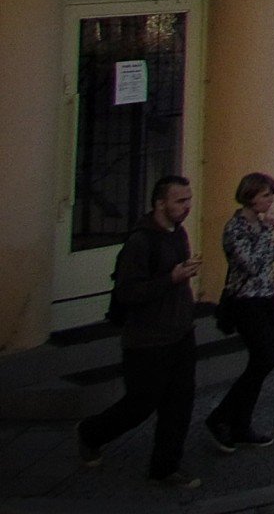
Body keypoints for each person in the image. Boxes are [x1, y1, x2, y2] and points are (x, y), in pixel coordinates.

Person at [77, 175, 203, 489]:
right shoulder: (140, 242)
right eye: (180, 201)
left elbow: (176, 283)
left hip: (180, 334)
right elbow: (128, 293)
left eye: (188, 200)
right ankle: (92, 433)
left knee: (179, 405)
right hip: (147, 341)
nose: (187, 207)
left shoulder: (179, 233)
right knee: (140, 404)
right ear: (160, 203)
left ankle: (165, 468)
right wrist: (171, 279)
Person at [203, 173, 274, 454]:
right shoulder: (235, 228)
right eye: (266, 196)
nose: (271, 201)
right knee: (262, 361)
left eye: (271, 195)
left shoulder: (257, 225)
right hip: (245, 302)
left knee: (263, 363)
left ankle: (241, 424)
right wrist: (267, 234)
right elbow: (250, 265)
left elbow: (267, 259)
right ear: (250, 197)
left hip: (265, 298)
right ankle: (220, 418)